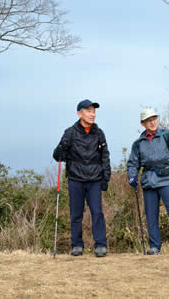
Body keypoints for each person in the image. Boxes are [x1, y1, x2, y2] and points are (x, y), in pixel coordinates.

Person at [127, 108, 169, 256]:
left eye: (154, 119)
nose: (152, 122)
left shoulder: (166, 136)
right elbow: (133, 163)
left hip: (167, 179)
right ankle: (154, 247)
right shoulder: (138, 143)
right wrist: (132, 176)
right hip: (149, 181)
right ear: (143, 123)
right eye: (149, 120)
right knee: (151, 216)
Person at [53, 99, 111, 257]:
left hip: (94, 180)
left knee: (97, 212)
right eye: (88, 111)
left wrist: (106, 177)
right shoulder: (70, 132)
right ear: (80, 113)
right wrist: (61, 148)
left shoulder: (99, 133)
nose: (92, 114)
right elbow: (58, 156)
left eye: (94, 111)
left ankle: (100, 245)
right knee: (76, 214)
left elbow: (105, 156)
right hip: (75, 179)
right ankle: (76, 245)